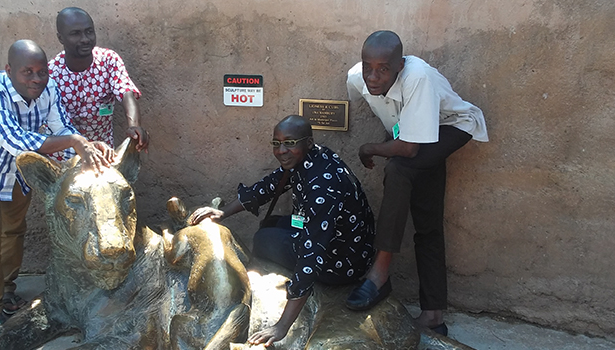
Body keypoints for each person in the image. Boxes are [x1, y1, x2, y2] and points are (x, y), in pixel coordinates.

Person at [0, 39, 113, 337]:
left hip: (16, 176)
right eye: (28, 72)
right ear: (9, 70)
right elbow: (16, 142)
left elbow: (61, 128)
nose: (37, 79)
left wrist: (86, 145)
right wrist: (75, 143)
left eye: (42, 72)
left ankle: (7, 292)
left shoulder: (48, 90)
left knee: (13, 233)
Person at [344, 30, 488, 335]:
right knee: (428, 222)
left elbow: (409, 149)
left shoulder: (418, 77)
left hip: (450, 127)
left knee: (398, 169)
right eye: (368, 66)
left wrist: (368, 148)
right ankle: (434, 315)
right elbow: (401, 129)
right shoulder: (358, 78)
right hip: (414, 132)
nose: (373, 76)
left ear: (400, 66)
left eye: (383, 69)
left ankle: (379, 274)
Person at [189, 115, 377, 347]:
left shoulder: (322, 189)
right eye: (276, 143)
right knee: (274, 224)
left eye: (290, 143)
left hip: (342, 262)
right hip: (345, 242)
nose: (281, 151)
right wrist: (222, 213)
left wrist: (282, 326)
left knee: (263, 238)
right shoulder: (315, 157)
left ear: (307, 142)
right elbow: (269, 186)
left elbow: (312, 255)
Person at [48, 6, 149, 160]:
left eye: (89, 31)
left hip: (103, 153)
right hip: (65, 155)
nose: (85, 39)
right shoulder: (51, 73)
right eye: (76, 34)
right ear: (61, 38)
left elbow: (126, 93)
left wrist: (134, 126)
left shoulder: (109, 60)